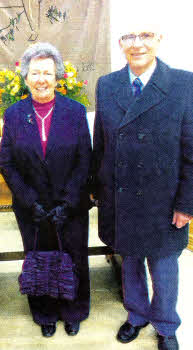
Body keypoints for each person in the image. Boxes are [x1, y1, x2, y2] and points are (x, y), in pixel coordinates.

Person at [90, 19, 193, 350]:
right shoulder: (107, 84)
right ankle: (136, 316)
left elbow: (192, 151)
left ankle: (165, 325)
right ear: (120, 43)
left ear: (160, 39)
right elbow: (101, 143)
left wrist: (186, 203)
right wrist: (97, 188)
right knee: (130, 262)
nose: (138, 43)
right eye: (129, 36)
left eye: (146, 35)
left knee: (163, 268)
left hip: (163, 200)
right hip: (121, 196)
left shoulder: (183, 84)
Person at [0, 42, 92, 337]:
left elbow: (84, 159)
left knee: (73, 256)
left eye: (48, 73)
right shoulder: (13, 115)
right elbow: (7, 162)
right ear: (26, 78)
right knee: (39, 258)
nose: (41, 79)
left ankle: (73, 310)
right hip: (32, 209)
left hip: (71, 206)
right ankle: (45, 313)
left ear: (57, 77)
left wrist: (68, 202)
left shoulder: (75, 111)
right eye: (35, 73)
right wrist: (29, 201)